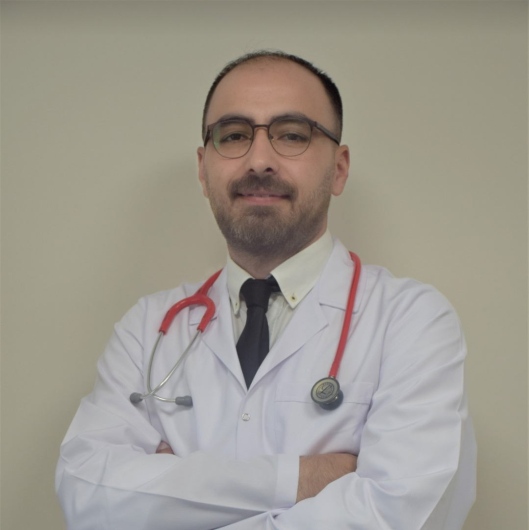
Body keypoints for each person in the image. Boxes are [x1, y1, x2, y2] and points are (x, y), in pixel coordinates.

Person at [56, 50, 476, 529]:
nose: (259, 160)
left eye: (292, 135)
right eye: (234, 135)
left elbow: (398, 514)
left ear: (339, 169)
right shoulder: (147, 328)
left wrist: (165, 494)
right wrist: (301, 479)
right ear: (203, 169)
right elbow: (86, 493)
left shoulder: (412, 320)